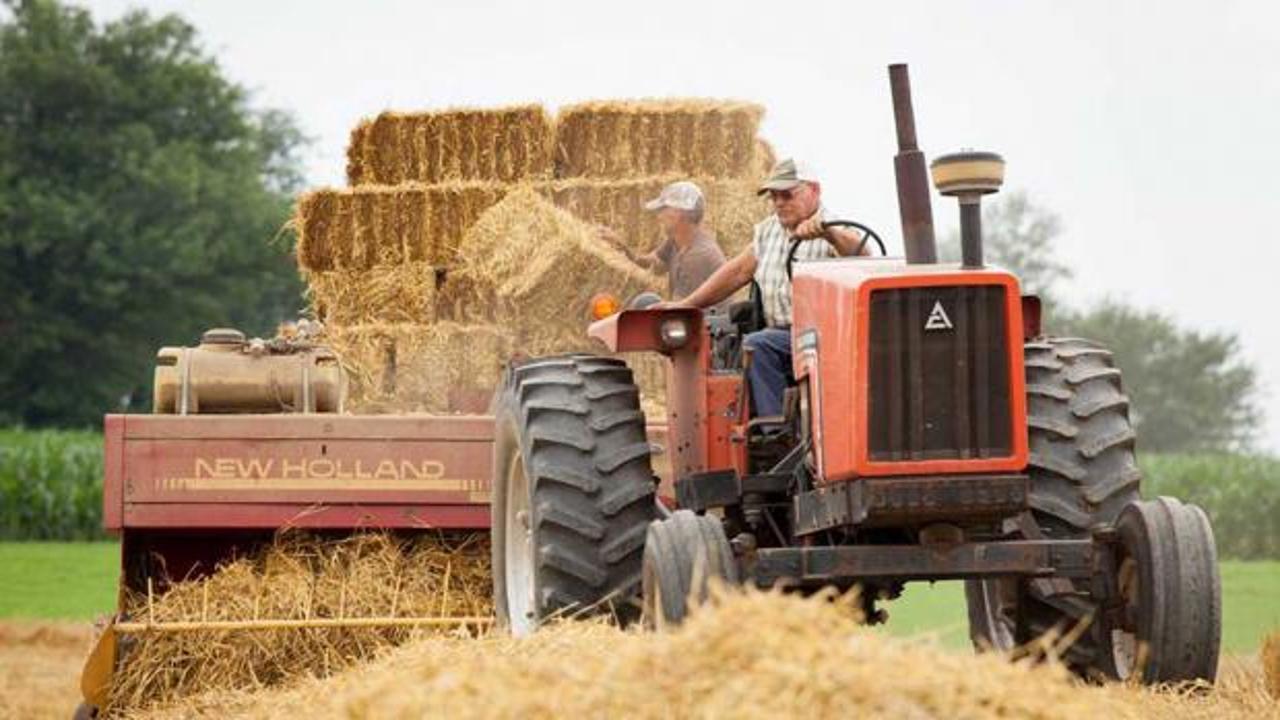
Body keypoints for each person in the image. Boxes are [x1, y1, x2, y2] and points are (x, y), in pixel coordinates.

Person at [662, 159, 869, 418]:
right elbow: (738, 271)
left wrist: (830, 234)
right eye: (773, 196)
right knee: (746, 343)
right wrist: (686, 305)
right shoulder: (768, 231)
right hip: (782, 336)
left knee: (759, 345)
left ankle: (773, 429)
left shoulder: (835, 228)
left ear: (814, 190)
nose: (779, 202)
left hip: (824, 338)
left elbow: (862, 254)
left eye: (787, 195)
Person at [599, 180, 726, 309]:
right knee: (645, 302)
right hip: (689, 314)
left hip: (709, 320)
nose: (659, 216)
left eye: (663, 209)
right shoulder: (676, 241)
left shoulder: (698, 256)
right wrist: (622, 246)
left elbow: (682, 309)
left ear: (679, 214)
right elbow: (654, 266)